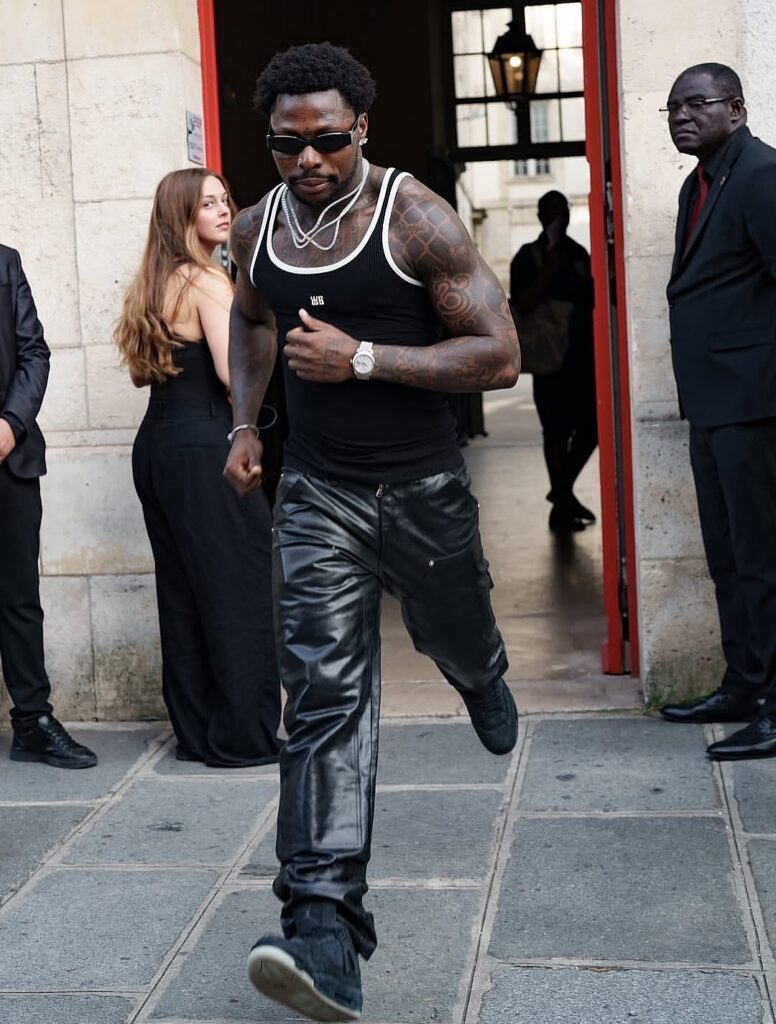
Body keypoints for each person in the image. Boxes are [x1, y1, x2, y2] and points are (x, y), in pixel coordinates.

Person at [222, 41, 520, 1023]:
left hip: (423, 490)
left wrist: (361, 359)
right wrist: (244, 425)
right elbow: (253, 321)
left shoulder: (415, 218)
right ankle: (322, 927)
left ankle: (479, 672)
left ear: (362, 129)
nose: (308, 160)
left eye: (328, 141)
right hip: (317, 494)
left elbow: (499, 355)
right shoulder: (258, 226)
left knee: (452, 630)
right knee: (323, 697)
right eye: (287, 144)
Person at [115, 169, 281, 768]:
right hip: (207, 444)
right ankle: (242, 738)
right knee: (238, 585)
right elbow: (233, 373)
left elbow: (145, 375)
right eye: (207, 203)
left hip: (158, 446)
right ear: (181, 216)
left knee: (183, 591)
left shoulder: (152, 283)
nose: (223, 209)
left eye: (223, 199)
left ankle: (197, 731)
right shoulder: (207, 280)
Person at [657, 63, 776, 760]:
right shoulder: (697, 183)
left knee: (764, 561)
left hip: (756, 406)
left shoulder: (761, 176)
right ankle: (744, 685)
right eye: (673, 107)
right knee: (728, 559)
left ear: (735, 107)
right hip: (711, 404)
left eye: (695, 104)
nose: (681, 116)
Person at [0, 247, 97, 769]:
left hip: (7, 457)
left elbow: (34, 352)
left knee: (19, 597)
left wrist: (10, 425)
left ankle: (32, 722)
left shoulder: (5, 263)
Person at [510, 191, 597, 532]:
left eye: (563, 211)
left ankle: (561, 495)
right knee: (556, 432)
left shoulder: (579, 255)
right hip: (548, 361)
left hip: (581, 359)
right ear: (539, 216)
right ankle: (563, 503)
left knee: (591, 428)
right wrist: (548, 270)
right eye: (552, 212)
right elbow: (523, 305)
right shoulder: (526, 257)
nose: (558, 219)